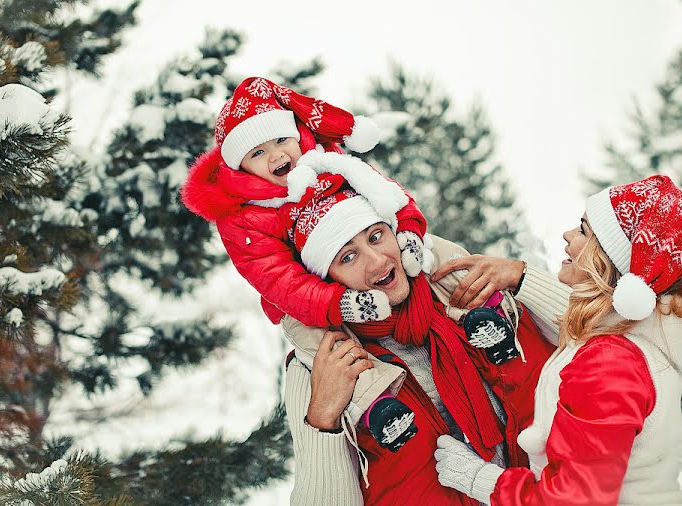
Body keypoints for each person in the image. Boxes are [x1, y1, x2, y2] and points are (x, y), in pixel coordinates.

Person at [180, 77, 518, 451]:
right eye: (257, 153)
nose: (276, 156)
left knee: (433, 252)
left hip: (359, 249)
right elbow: (277, 279)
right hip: (305, 297)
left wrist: (407, 231)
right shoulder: (242, 216)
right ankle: (375, 405)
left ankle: (484, 315)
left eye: (279, 140)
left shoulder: (326, 158)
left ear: (295, 134)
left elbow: (386, 193)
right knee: (323, 344)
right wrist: (336, 303)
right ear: (239, 167)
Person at [433, 175, 682, 505]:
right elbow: (587, 324)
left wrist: (479, 478)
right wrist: (521, 276)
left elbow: (573, 499)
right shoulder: (638, 331)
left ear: (605, 260)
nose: (568, 235)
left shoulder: (609, 363)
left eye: (583, 230)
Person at [280, 175, 573, 505]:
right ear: (325, 283)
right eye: (347, 257)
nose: (377, 261)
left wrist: (523, 279)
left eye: (376, 236)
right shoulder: (318, 365)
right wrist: (322, 419)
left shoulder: (468, 292)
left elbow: (608, 336)